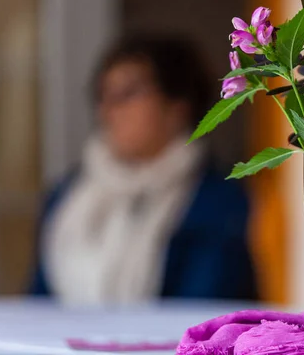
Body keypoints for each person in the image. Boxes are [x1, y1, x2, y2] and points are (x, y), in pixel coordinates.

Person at [30, 36, 257, 304]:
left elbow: (205, 309)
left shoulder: (219, 202)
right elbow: (37, 303)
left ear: (177, 106)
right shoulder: (66, 195)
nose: (110, 109)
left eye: (128, 94)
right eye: (103, 95)